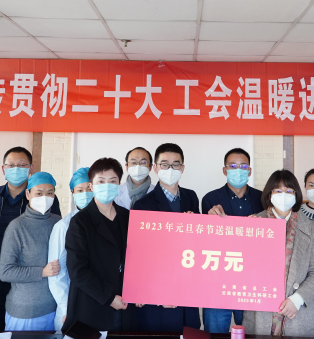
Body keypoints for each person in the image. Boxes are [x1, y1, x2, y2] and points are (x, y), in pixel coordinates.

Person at [0, 147, 62, 331]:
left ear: (30, 168)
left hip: (32, 284)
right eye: (11, 165)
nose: (16, 169)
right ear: (3, 169)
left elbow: (53, 235)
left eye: (22, 165)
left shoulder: (41, 198)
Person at [243, 170, 314, 337]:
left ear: (296, 194)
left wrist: (297, 299)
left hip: (299, 315)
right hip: (261, 314)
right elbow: (241, 267)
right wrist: (246, 239)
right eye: (278, 190)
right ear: (269, 194)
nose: (283, 195)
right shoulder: (254, 223)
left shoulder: (310, 227)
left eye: (289, 191)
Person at [132, 143, 201, 332]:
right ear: (155, 168)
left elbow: (198, 242)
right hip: (158, 293)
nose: (170, 169)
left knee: (190, 332)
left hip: (187, 285)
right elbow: (139, 253)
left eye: (175, 164)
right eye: (164, 164)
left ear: (183, 168)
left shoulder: (191, 197)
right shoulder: (142, 205)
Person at [64, 158, 137, 332]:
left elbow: (138, 259)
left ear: (119, 184)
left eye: (112, 181)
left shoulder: (128, 217)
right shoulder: (80, 222)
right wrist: (109, 298)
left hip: (125, 304)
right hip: (92, 305)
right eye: (101, 181)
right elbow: (77, 271)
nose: (107, 186)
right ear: (91, 186)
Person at [202, 147, 264, 333]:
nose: (238, 170)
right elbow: (205, 240)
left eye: (243, 166)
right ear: (224, 170)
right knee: (215, 332)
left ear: (249, 171)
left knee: (253, 331)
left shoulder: (262, 199)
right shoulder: (210, 199)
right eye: (233, 166)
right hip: (218, 280)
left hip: (252, 280)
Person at [0, 171, 62, 331]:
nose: (44, 198)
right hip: (25, 312)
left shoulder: (58, 223)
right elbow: (5, 272)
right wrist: (42, 272)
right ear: (28, 194)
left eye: (50, 193)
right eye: (39, 193)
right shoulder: (17, 227)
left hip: (55, 309)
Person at [49, 168, 94, 328]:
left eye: (89, 189)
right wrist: (66, 307)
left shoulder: (105, 221)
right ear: (72, 192)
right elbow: (56, 273)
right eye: (80, 190)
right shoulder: (63, 226)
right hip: (71, 303)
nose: (85, 194)